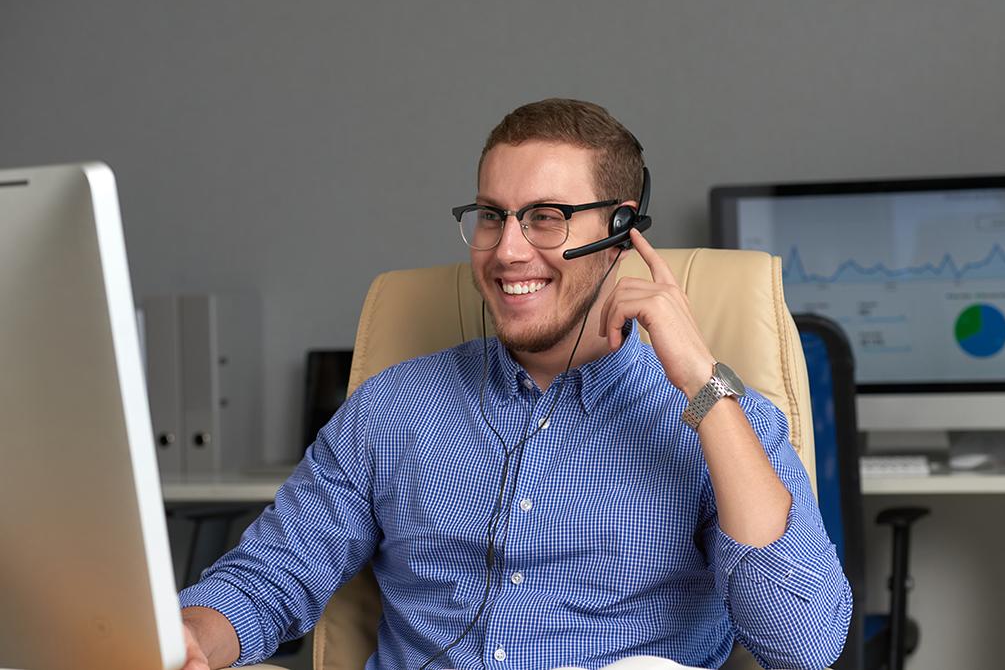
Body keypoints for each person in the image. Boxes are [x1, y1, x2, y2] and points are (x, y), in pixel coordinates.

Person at [179, 99, 852, 670]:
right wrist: (191, 640)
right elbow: (269, 578)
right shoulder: (391, 409)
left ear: (619, 231)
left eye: (546, 218)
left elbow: (804, 645)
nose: (507, 250)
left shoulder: (728, 423)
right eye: (493, 216)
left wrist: (702, 384)